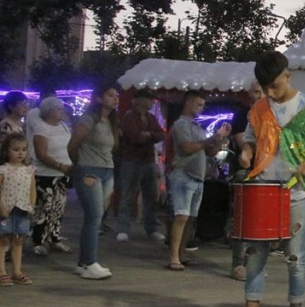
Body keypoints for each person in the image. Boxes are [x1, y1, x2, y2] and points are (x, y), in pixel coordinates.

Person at [225, 51, 305, 307]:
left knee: (295, 256)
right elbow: (250, 138)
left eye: (274, 86)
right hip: (263, 189)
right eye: (265, 88)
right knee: (254, 253)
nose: (270, 93)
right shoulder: (260, 108)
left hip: (296, 191)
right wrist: (247, 151)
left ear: (288, 76)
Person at [167, 91, 230, 271]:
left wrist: (219, 139)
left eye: (202, 105)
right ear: (187, 103)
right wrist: (210, 140)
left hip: (197, 177)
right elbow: (186, 148)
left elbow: (210, 152)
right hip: (183, 174)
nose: (201, 108)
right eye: (199, 104)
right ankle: (174, 256)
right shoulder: (181, 124)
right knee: (181, 216)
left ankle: (181, 253)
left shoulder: (198, 127)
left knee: (190, 218)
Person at [67, 85, 120, 280]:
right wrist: (79, 164)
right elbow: (73, 145)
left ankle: (84, 263)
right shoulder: (89, 119)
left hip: (107, 169)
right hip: (89, 170)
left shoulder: (110, 122)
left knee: (96, 216)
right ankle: (89, 262)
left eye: (116, 95)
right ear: (98, 98)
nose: (115, 99)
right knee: (94, 216)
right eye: (110, 95)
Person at [115, 88, 166, 243]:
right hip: (131, 160)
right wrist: (151, 135)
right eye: (149, 99)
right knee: (127, 195)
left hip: (148, 160)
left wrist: (148, 134)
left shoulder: (151, 117)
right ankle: (123, 229)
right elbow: (135, 137)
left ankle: (151, 229)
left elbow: (161, 134)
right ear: (140, 100)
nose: (152, 102)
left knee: (151, 196)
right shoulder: (129, 117)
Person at [28, 97, 73, 255]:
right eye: (59, 109)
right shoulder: (41, 128)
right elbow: (41, 154)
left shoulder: (63, 126)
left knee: (58, 207)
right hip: (46, 174)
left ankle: (54, 237)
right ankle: (38, 240)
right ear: (49, 111)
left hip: (62, 175)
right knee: (44, 208)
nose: (62, 111)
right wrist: (60, 165)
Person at [228, 81, 264, 280]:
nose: (259, 96)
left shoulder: (270, 115)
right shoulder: (243, 114)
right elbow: (244, 145)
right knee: (243, 218)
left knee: (260, 220)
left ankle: (254, 263)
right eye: (256, 92)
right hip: (245, 171)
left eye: (262, 92)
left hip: (265, 171)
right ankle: (238, 263)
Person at [0, 134, 37, 286]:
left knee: (18, 240)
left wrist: (31, 205)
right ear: (7, 151)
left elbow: (32, 189)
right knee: (3, 240)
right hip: (6, 209)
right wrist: (1, 207)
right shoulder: (3, 169)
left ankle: (17, 271)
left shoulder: (29, 170)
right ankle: (2, 272)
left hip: (22, 209)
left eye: (23, 149)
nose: (20, 153)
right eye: (16, 150)